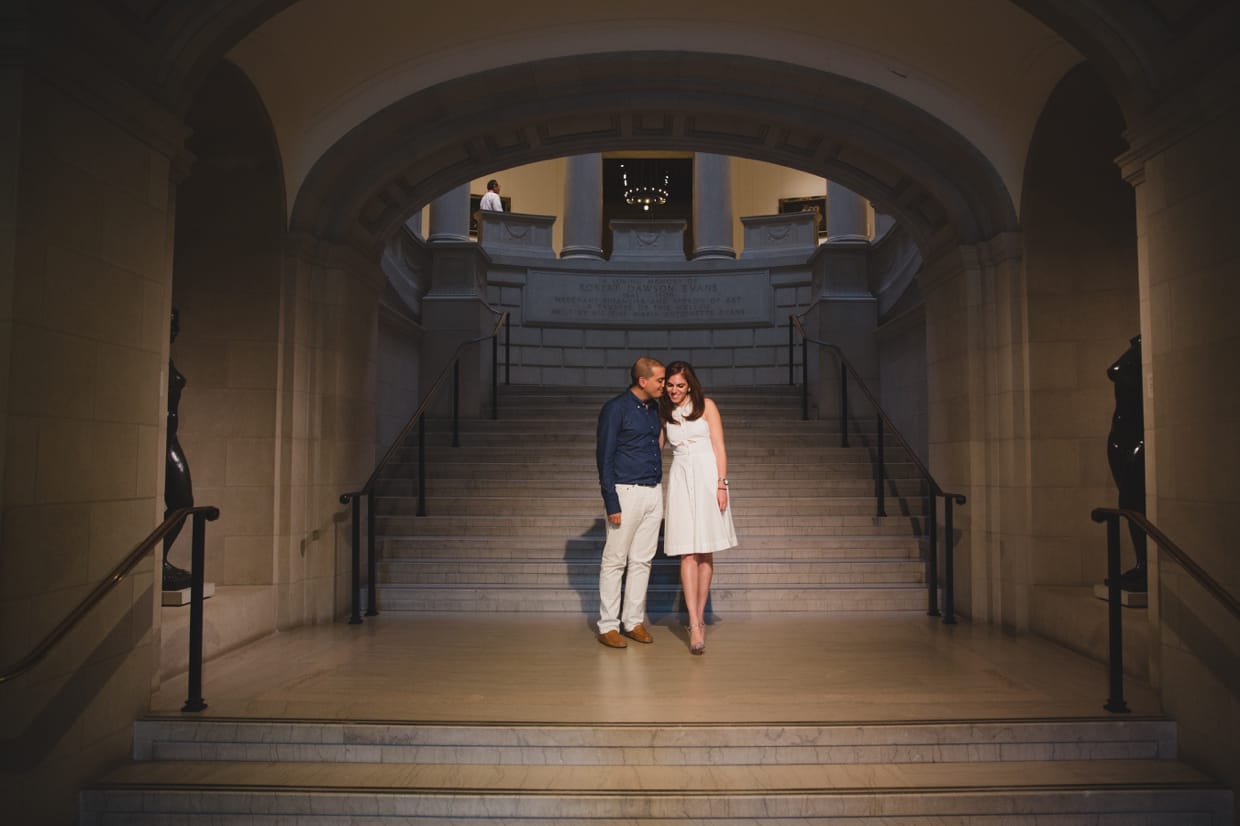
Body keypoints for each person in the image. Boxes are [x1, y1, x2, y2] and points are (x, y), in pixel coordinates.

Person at [659, 361, 737, 655]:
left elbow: (719, 447)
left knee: (705, 551)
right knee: (687, 552)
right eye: (670, 385)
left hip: (707, 478)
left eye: (680, 385)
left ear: (689, 384)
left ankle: (700, 618)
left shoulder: (707, 406)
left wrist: (721, 485)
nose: (675, 390)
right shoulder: (664, 411)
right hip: (680, 480)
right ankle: (693, 621)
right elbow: (657, 448)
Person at [595, 357, 666, 648]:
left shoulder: (654, 409)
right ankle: (608, 625)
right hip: (625, 491)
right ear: (643, 381)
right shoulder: (616, 409)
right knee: (615, 561)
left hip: (653, 491)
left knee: (642, 560)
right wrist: (612, 501)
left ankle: (633, 621)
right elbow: (605, 457)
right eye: (660, 380)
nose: (663, 384)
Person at [163, 308, 195, 591]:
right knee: (182, 500)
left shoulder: (166, 359)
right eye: (171, 324)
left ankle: (160, 561)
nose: (176, 330)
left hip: (170, 439)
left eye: (177, 324)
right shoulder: (154, 358)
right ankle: (158, 562)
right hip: (160, 438)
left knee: (184, 501)